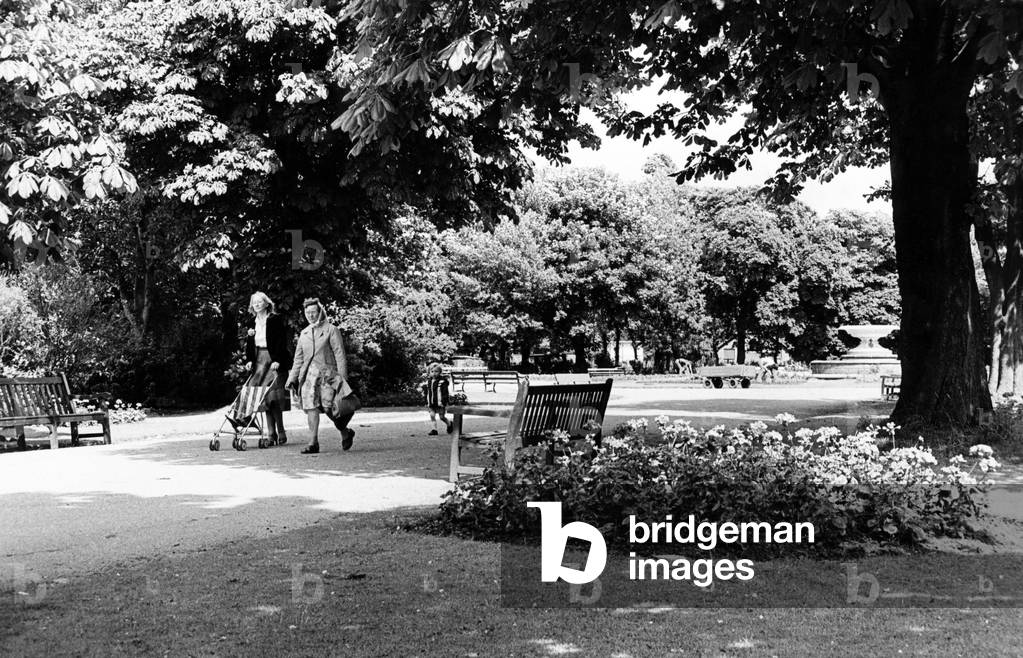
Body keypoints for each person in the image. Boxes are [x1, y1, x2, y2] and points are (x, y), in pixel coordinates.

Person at [285, 298, 355, 454]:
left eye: (313, 312)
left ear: (320, 312)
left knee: (330, 408)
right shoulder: (304, 334)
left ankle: (345, 432)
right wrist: (292, 379)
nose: (310, 315)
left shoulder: (331, 329)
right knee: (311, 408)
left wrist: (343, 378)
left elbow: (340, 354)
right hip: (309, 377)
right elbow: (298, 359)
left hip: (328, 375)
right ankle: (313, 443)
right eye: (307, 312)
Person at [244, 292, 291, 445]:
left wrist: (277, 359)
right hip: (259, 361)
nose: (257, 305)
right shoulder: (252, 322)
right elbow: (250, 345)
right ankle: (271, 433)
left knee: (273, 397)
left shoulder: (275, 319)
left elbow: (281, 341)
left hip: (274, 360)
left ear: (266, 303)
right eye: (254, 302)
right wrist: (250, 360)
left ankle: (281, 430)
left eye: (259, 302)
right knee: (263, 398)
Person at [421, 362, 453, 435]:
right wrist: (426, 401)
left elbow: (445, 393)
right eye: (432, 371)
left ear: (440, 372)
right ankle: (434, 430)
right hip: (431, 403)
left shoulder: (442, 382)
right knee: (432, 415)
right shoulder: (428, 382)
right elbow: (426, 393)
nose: (434, 373)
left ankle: (449, 424)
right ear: (429, 372)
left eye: (436, 371)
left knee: (442, 417)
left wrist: (444, 402)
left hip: (440, 403)